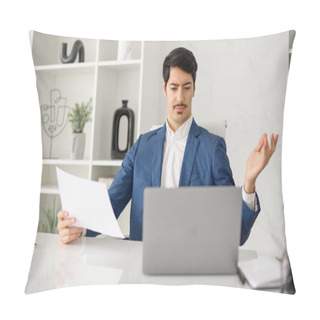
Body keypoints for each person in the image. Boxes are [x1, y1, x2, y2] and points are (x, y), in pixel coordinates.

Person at [57, 47, 278, 245]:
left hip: (191, 267)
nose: (180, 97)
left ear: (194, 89)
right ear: (164, 88)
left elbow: (235, 233)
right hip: (141, 266)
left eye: (186, 87)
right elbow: (111, 204)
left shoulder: (212, 148)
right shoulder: (142, 146)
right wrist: (78, 226)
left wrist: (249, 182)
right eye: (174, 88)